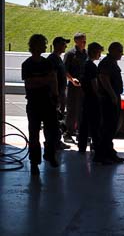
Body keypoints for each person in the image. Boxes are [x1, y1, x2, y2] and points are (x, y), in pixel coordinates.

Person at [22, 34, 59, 175]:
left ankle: (49, 155)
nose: (45, 46)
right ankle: (34, 162)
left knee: (53, 132)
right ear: (35, 46)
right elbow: (30, 84)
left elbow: (53, 80)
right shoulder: (27, 64)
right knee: (34, 134)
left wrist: (56, 96)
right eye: (43, 44)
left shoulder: (47, 62)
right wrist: (45, 79)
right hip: (34, 104)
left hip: (48, 102)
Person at [98, 42, 124, 164]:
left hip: (113, 97)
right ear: (113, 50)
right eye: (120, 51)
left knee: (112, 126)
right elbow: (104, 79)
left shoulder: (110, 62)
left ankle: (109, 152)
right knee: (108, 126)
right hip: (109, 99)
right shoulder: (107, 63)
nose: (121, 53)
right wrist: (113, 95)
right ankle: (103, 154)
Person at [77, 42, 104, 161]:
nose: (100, 55)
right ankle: (97, 148)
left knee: (84, 123)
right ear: (94, 52)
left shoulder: (84, 64)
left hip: (86, 97)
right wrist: (99, 95)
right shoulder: (92, 67)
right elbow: (94, 84)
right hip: (92, 98)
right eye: (99, 52)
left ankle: (82, 147)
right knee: (95, 124)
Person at [46, 36, 71, 150]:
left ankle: (56, 140)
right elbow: (53, 77)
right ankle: (52, 141)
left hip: (60, 93)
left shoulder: (58, 58)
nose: (65, 46)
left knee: (58, 119)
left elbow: (63, 72)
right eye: (63, 44)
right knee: (53, 119)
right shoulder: (52, 59)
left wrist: (71, 79)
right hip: (55, 95)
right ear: (56, 45)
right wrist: (57, 95)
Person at [63, 32, 88, 143]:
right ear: (76, 42)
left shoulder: (86, 54)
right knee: (72, 110)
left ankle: (79, 134)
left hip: (84, 86)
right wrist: (72, 79)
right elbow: (64, 70)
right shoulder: (70, 54)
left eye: (85, 40)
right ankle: (67, 133)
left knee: (82, 111)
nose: (84, 43)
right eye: (82, 41)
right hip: (74, 86)